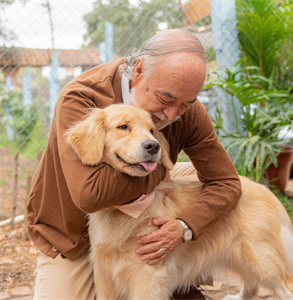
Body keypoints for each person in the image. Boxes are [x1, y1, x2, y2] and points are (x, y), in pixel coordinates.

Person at [27, 29, 242, 300]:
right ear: (139, 71)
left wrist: (184, 226)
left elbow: (226, 182)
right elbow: (89, 195)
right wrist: (161, 166)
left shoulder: (185, 109)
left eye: (186, 104)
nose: (172, 115)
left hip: (139, 228)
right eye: (166, 99)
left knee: (189, 181)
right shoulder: (82, 97)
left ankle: (180, 278)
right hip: (72, 235)